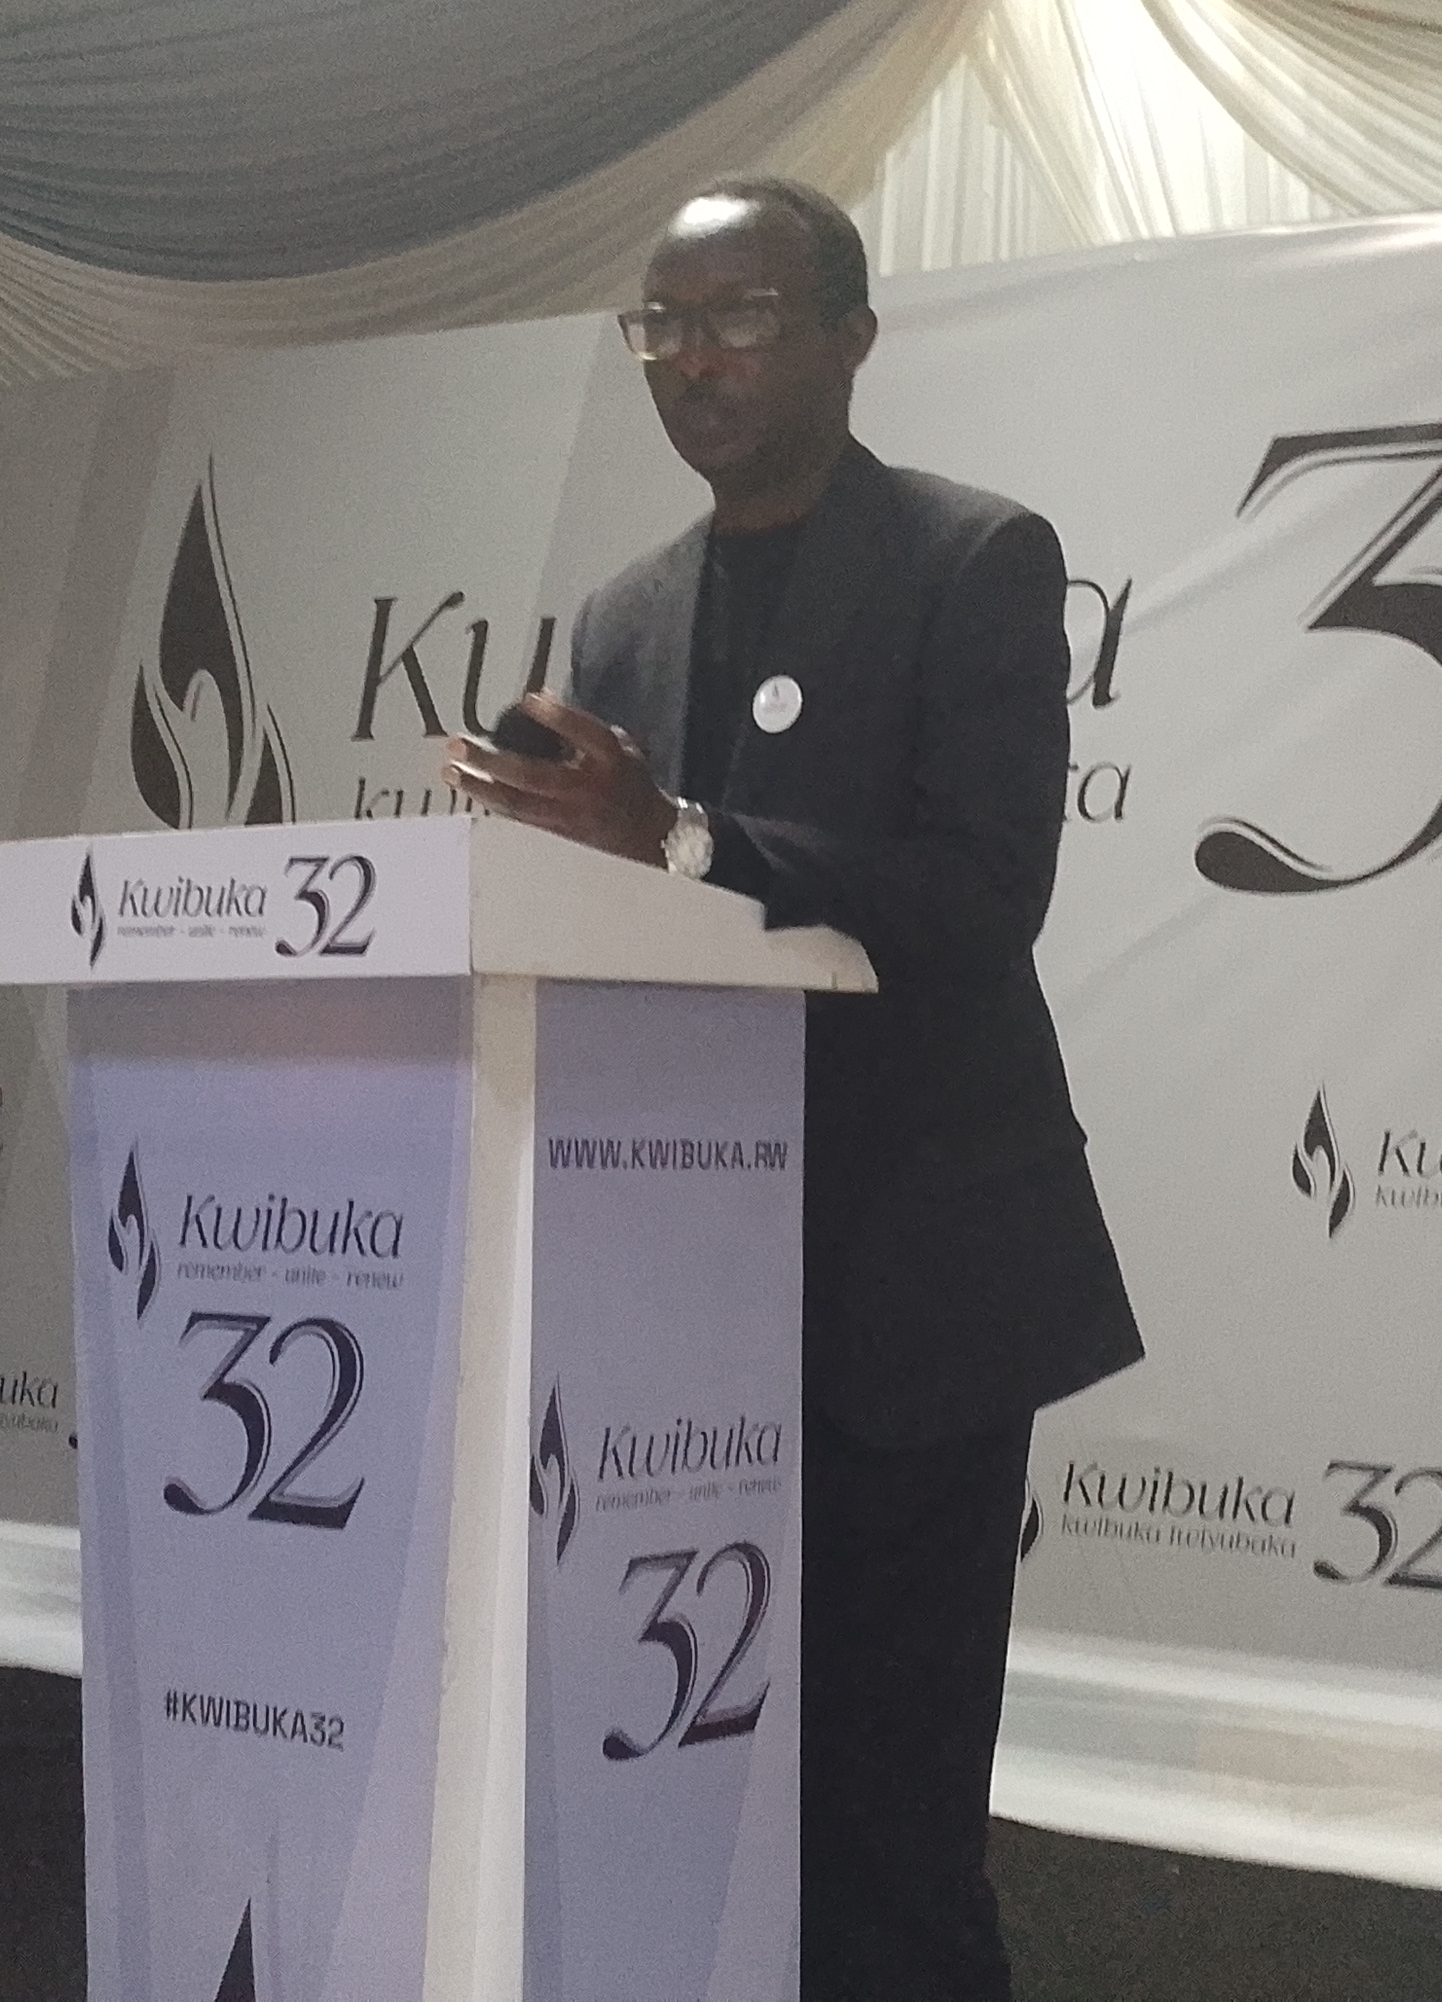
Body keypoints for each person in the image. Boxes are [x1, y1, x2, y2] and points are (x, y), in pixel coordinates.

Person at [444, 176, 1145, 2002]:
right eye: (663, 325)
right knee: (706, 1787)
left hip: (913, 1291)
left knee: (890, 1822)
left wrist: (680, 838)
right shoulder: (623, 617)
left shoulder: (973, 560)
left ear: (850, 337)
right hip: (682, 1300)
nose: (695, 360)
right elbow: (619, 918)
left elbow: (983, 897)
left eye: (741, 317)